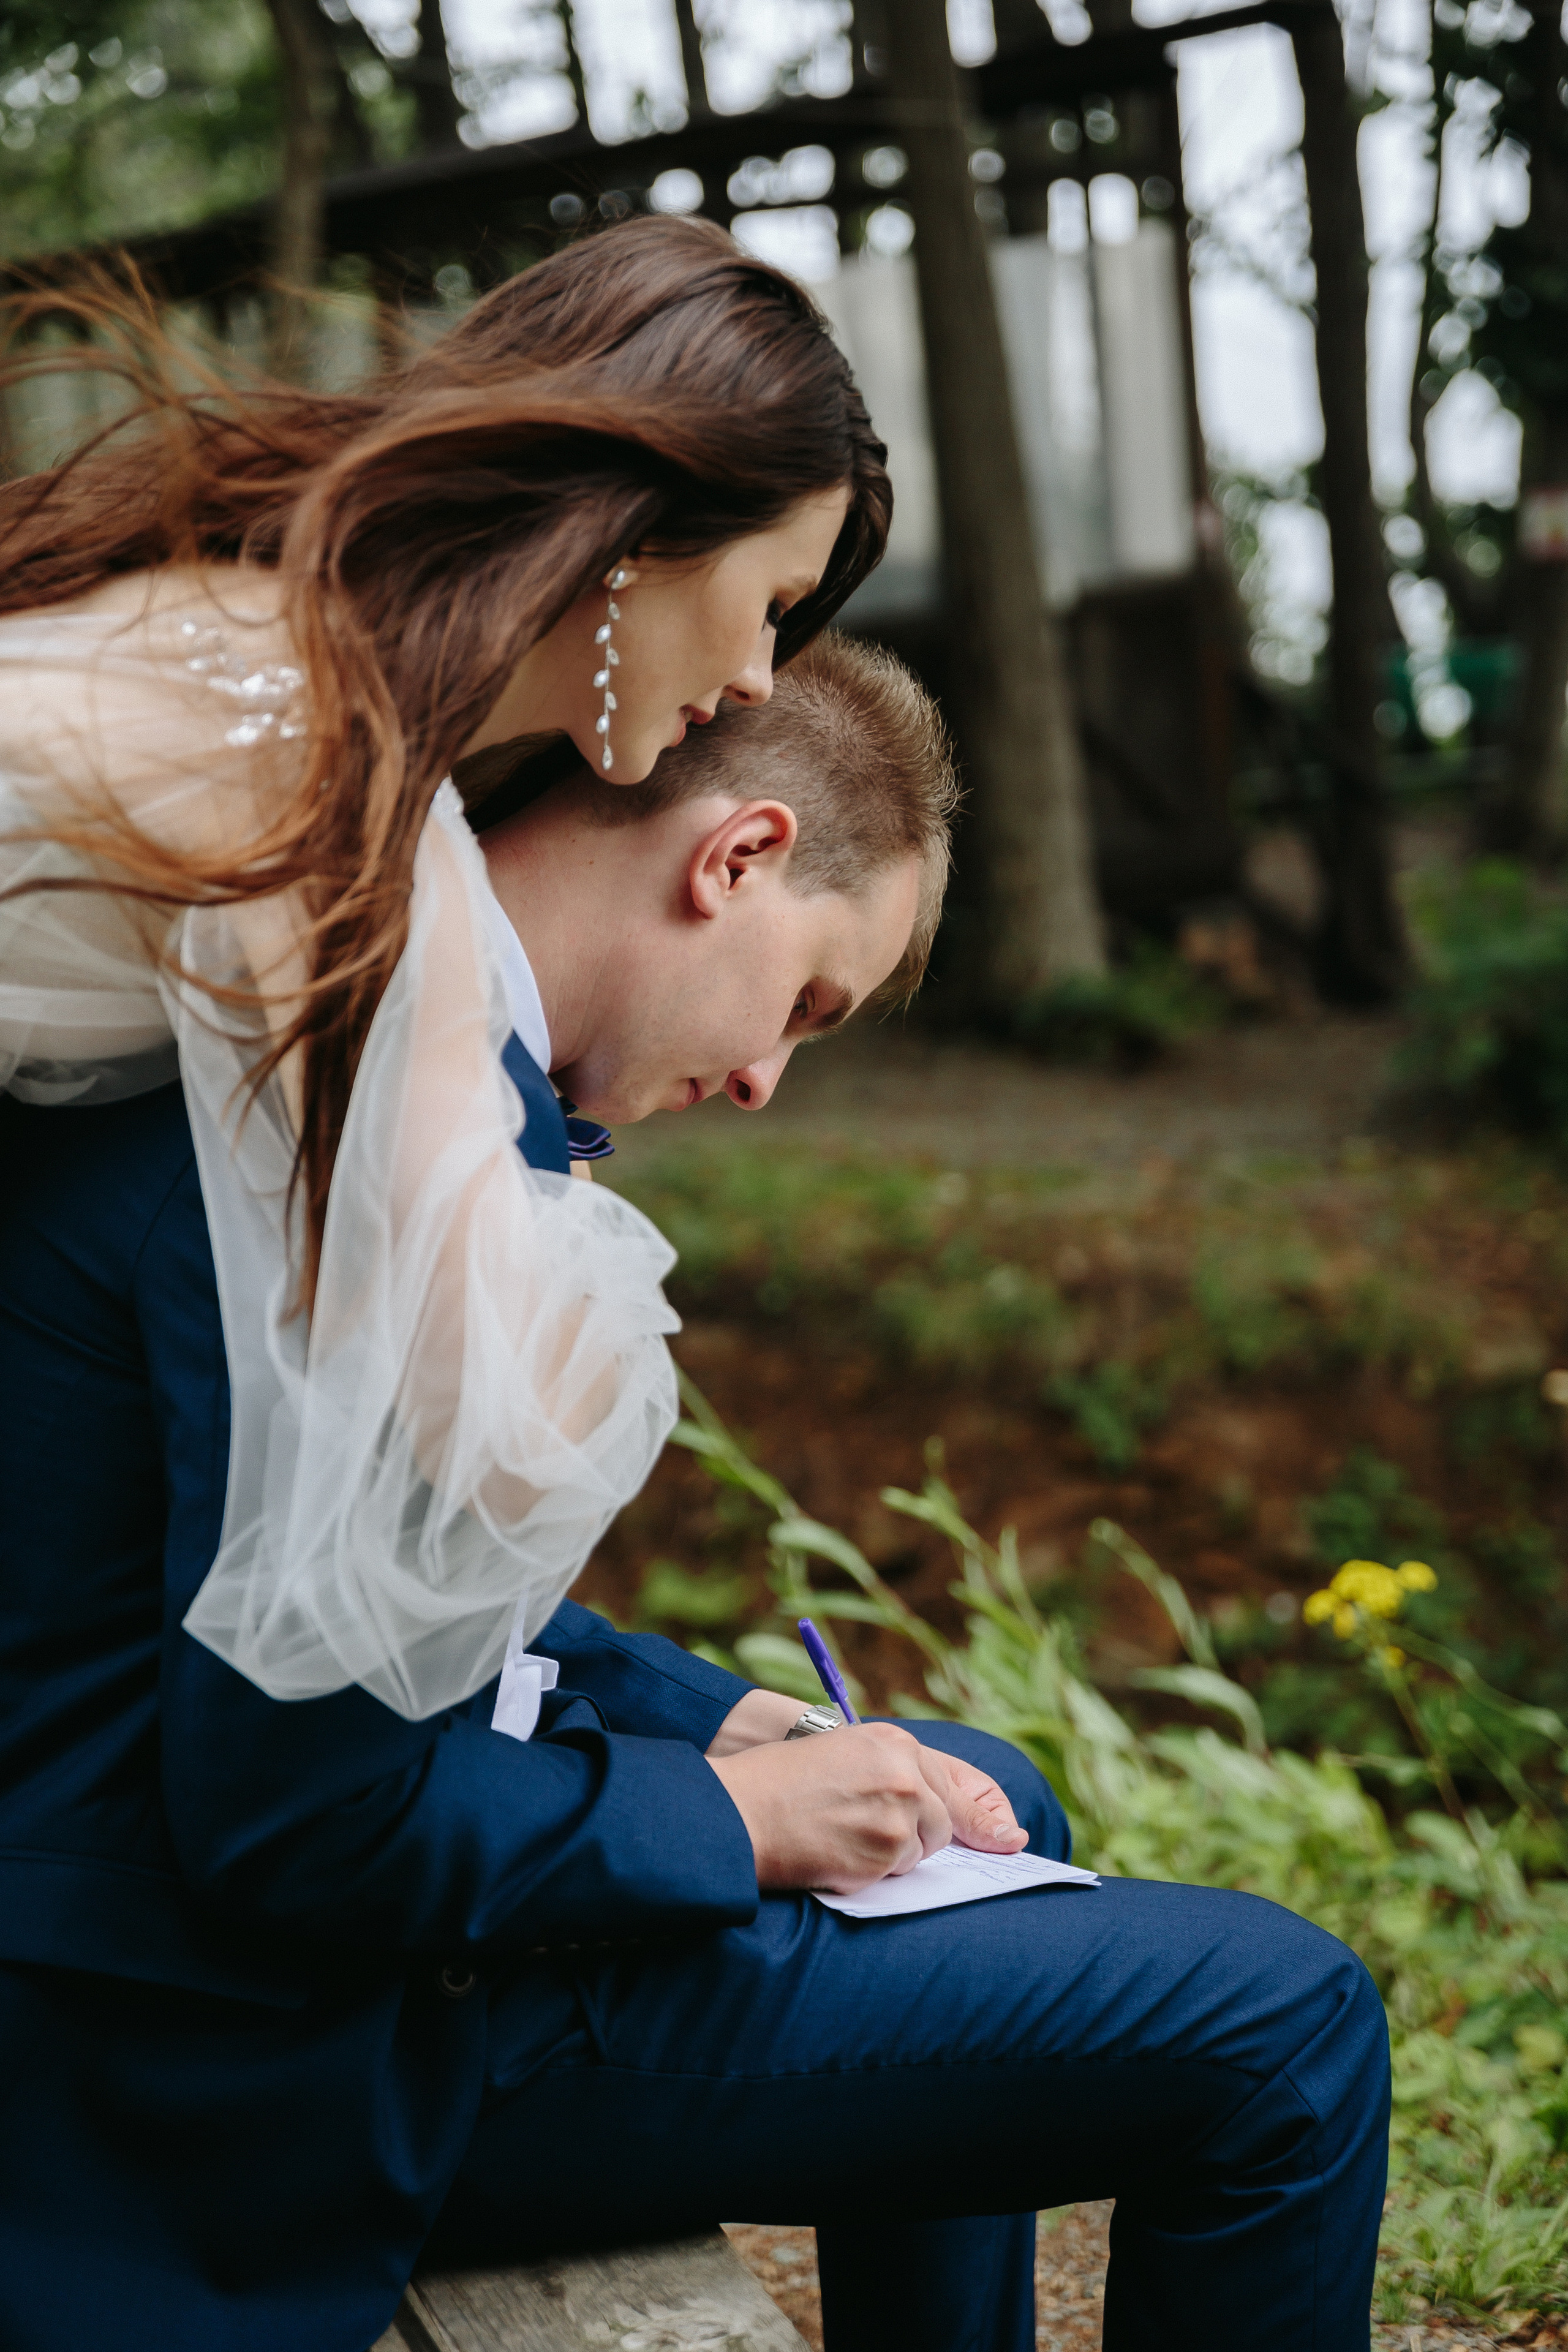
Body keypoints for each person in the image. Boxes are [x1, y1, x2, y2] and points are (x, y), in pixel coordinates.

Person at [0, 225, 1390, 2352]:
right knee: (1285, 2022)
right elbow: (296, 1815)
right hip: (209, 2062)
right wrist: (729, 1818)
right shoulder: (357, 1047)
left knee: (979, 1786)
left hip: (180, 1925)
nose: (762, 1079)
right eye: (809, 1008)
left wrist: (693, 1715)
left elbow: (310, 1589)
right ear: (734, 857)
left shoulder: (323, 894)